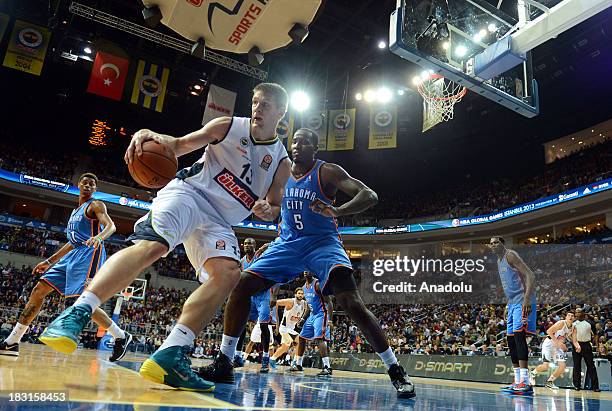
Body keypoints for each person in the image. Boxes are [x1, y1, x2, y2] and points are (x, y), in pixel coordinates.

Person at [39, 83, 292, 392]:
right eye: (255, 102)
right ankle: (77, 312)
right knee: (155, 245)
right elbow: (180, 144)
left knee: (228, 274)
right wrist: (149, 135)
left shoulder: (281, 161)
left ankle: (172, 352)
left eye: (265, 105)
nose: (257, 109)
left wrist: (270, 209)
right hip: (189, 194)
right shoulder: (227, 126)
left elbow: (276, 203)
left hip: (220, 220)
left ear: (281, 113)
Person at [198, 128, 415, 398]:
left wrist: (338, 210)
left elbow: (369, 195)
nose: (297, 145)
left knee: (352, 304)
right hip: (288, 243)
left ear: (316, 148)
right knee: (240, 287)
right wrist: (267, 211)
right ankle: (225, 361)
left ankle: (395, 370)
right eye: (294, 141)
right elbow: (275, 207)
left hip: (322, 243)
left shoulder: (328, 172)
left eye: (304, 142)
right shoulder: (281, 173)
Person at [0, 173, 131, 362]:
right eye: (85, 182)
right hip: (72, 254)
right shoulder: (74, 212)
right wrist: (49, 262)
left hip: (89, 252)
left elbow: (111, 226)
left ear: (95, 189)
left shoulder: (95, 205)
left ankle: (120, 335)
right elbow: (70, 243)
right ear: (78, 185)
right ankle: (13, 341)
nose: (88, 185)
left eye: (92, 184)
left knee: (80, 302)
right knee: (39, 290)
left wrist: (99, 237)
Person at [489, 236, 536, 395]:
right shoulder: (499, 260)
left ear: (503, 244)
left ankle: (526, 382)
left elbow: (530, 275)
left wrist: (527, 299)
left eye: (496, 242)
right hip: (513, 303)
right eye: (492, 243)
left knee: (518, 337)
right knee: (510, 339)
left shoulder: (510, 255)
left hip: (523, 300)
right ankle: (517, 380)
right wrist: (508, 304)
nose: (494, 244)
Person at [286, 272, 333, 376]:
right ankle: (298, 364)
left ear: (312, 272)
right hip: (312, 314)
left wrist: (330, 320)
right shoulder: (303, 287)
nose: (306, 271)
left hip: (321, 314)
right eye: (304, 270)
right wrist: (302, 319)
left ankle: (327, 367)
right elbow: (308, 306)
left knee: (319, 338)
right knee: (302, 337)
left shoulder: (317, 284)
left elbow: (329, 302)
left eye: (308, 269)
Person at [529, 312, 574, 390]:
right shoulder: (561, 323)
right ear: (566, 317)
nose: (570, 317)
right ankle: (532, 373)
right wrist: (557, 342)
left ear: (574, 318)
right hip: (549, 344)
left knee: (562, 366)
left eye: (572, 316)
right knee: (545, 366)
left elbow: (566, 338)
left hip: (557, 346)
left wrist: (566, 345)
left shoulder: (572, 327)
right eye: (569, 315)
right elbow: (549, 331)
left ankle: (549, 382)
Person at [269, 287, 307, 368]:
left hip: (291, 329)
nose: (300, 295)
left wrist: (301, 319)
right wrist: (275, 318)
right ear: (295, 294)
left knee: (297, 343)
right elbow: (275, 302)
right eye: (299, 293)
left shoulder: (304, 303)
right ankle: (274, 359)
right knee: (288, 343)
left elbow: (306, 311)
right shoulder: (290, 301)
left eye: (302, 294)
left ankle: (294, 362)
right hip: (284, 328)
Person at [571, 308, 600, 391]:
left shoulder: (590, 323)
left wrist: (597, 346)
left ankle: (595, 387)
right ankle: (577, 385)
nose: (577, 313)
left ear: (583, 313)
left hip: (587, 345)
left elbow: (595, 335)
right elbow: (570, 335)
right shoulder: (573, 323)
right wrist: (574, 343)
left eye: (579, 312)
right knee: (577, 366)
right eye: (576, 312)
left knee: (591, 366)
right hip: (576, 345)